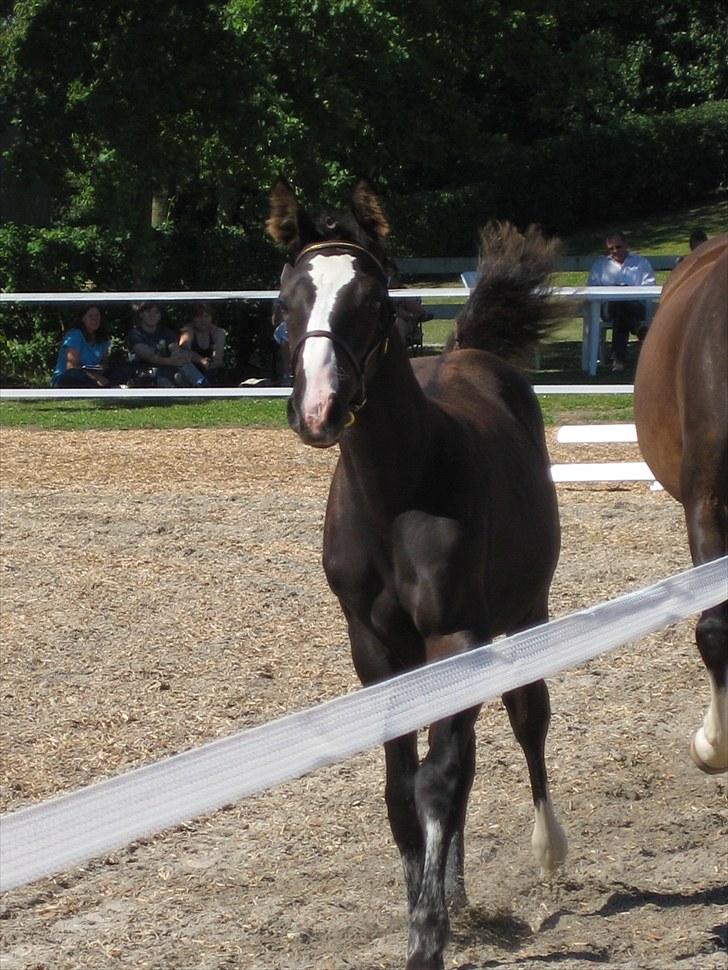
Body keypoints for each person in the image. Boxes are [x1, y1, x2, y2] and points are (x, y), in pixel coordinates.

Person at [588, 231, 655, 372]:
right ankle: (637, 329)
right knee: (617, 305)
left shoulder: (640, 263)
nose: (615, 251)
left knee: (621, 311)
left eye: (618, 247)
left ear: (626, 244)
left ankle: (619, 360)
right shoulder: (600, 265)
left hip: (636, 307)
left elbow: (649, 288)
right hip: (608, 308)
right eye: (611, 249)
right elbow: (592, 289)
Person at [127, 302, 192, 387]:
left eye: (156, 312)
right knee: (161, 376)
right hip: (144, 373)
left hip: (168, 368)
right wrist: (171, 361)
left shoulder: (166, 331)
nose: (152, 315)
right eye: (148, 311)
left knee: (185, 363)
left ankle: (200, 385)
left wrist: (180, 357)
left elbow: (174, 348)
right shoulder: (134, 335)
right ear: (141, 314)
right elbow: (149, 356)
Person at [52, 305, 113, 388]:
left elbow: (104, 362)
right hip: (70, 377)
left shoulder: (102, 338)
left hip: (96, 376)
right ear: (83, 318)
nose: (94, 319)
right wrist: (96, 378)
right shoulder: (75, 335)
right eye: (90, 316)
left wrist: (101, 368)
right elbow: (71, 367)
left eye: (97, 315)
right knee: (74, 374)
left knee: (120, 371)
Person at [177, 303, 226, 383]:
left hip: (212, 370)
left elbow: (218, 359)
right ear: (193, 318)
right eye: (199, 316)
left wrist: (209, 365)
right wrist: (201, 360)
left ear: (211, 318)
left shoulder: (218, 332)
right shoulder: (188, 330)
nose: (203, 320)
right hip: (191, 370)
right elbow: (184, 350)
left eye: (206, 316)